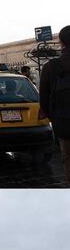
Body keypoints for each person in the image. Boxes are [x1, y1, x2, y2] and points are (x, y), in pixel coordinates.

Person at [40, 25, 70, 185]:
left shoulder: (51, 67)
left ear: (62, 43)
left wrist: (55, 118)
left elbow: (43, 100)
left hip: (65, 124)